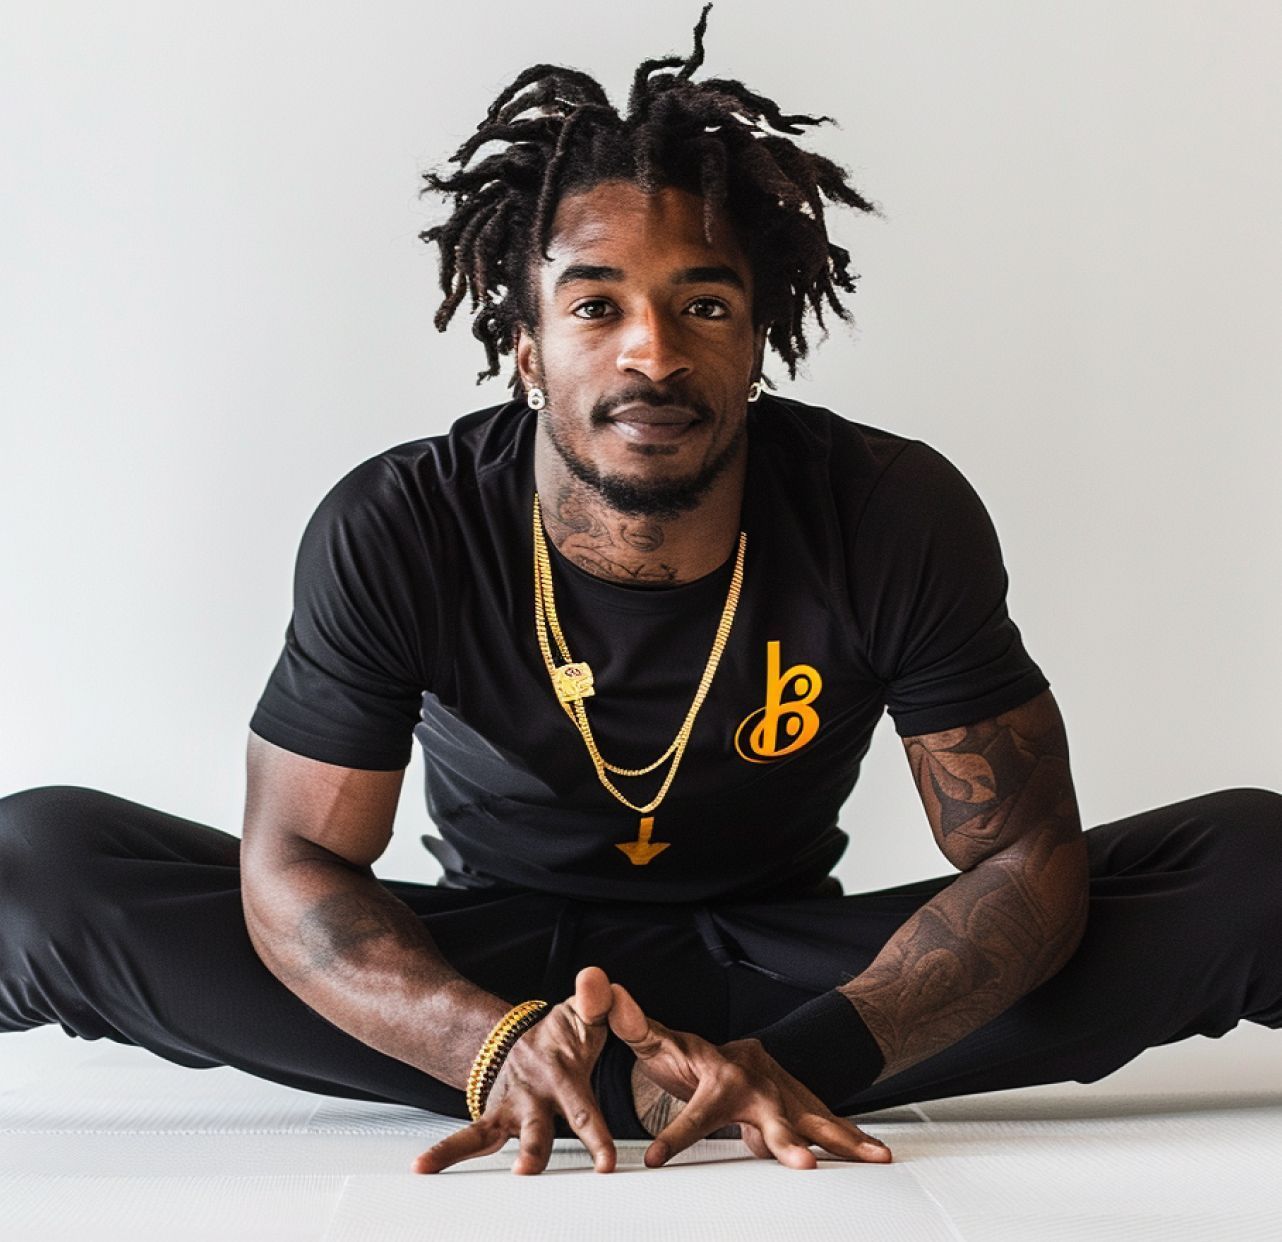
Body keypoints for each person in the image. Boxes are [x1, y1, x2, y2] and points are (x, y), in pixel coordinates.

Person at [2, 7, 1279, 1178]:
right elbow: (296, 862)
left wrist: (817, 1055)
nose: (651, 352)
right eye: (596, 304)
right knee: (38, 861)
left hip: (793, 979)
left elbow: (1020, 857)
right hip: (481, 971)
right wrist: (481, 1042)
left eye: (702, 305)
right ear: (526, 346)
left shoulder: (884, 509)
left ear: (758, 338)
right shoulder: (402, 522)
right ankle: (557, 1071)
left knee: (1255, 860)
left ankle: (726, 1081)